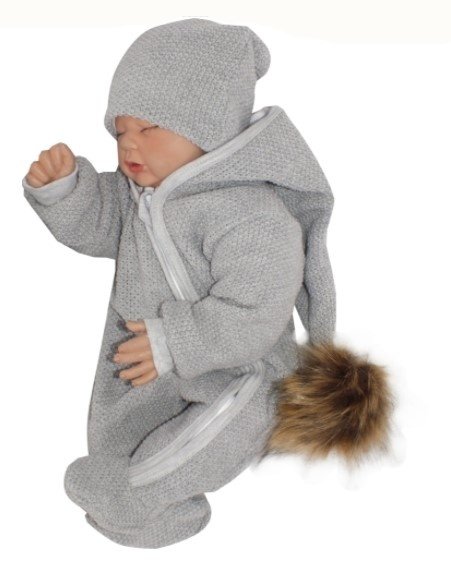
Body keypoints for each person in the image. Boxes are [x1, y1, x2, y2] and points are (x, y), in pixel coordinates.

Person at [22, 18, 395, 549]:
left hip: (240, 371)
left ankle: (138, 491)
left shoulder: (251, 213)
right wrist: (66, 192)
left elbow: (257, 307)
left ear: (208, 123)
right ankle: (148, 511)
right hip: (147, 364)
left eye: (149, 128)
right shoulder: (136, 198)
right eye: (121, 131)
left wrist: (175, 341)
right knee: (118, 440)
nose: (129, 145)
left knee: (233, 421)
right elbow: (102, 226)